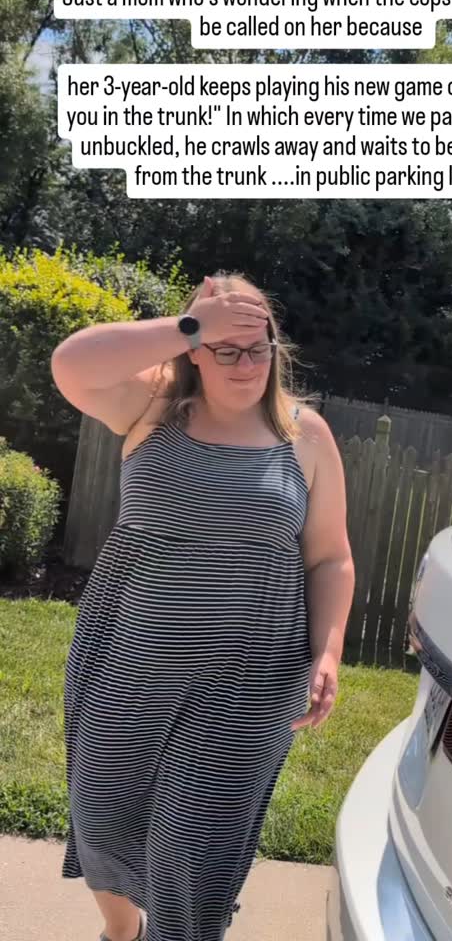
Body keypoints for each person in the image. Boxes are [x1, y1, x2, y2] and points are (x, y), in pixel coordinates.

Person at [51, 271, 355, 941]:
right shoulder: (151, 407)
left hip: (247, 681)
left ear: (275, 347)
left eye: (257, 347)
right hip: (126, 661)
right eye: (225, 347)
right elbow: (70, 364)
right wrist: (192, 323)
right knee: (100, 818)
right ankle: (122, 930)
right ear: (194, 349)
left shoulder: (304, 436)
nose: (245, 364)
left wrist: (328, 650)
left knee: (195, 848)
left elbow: (330, 557)